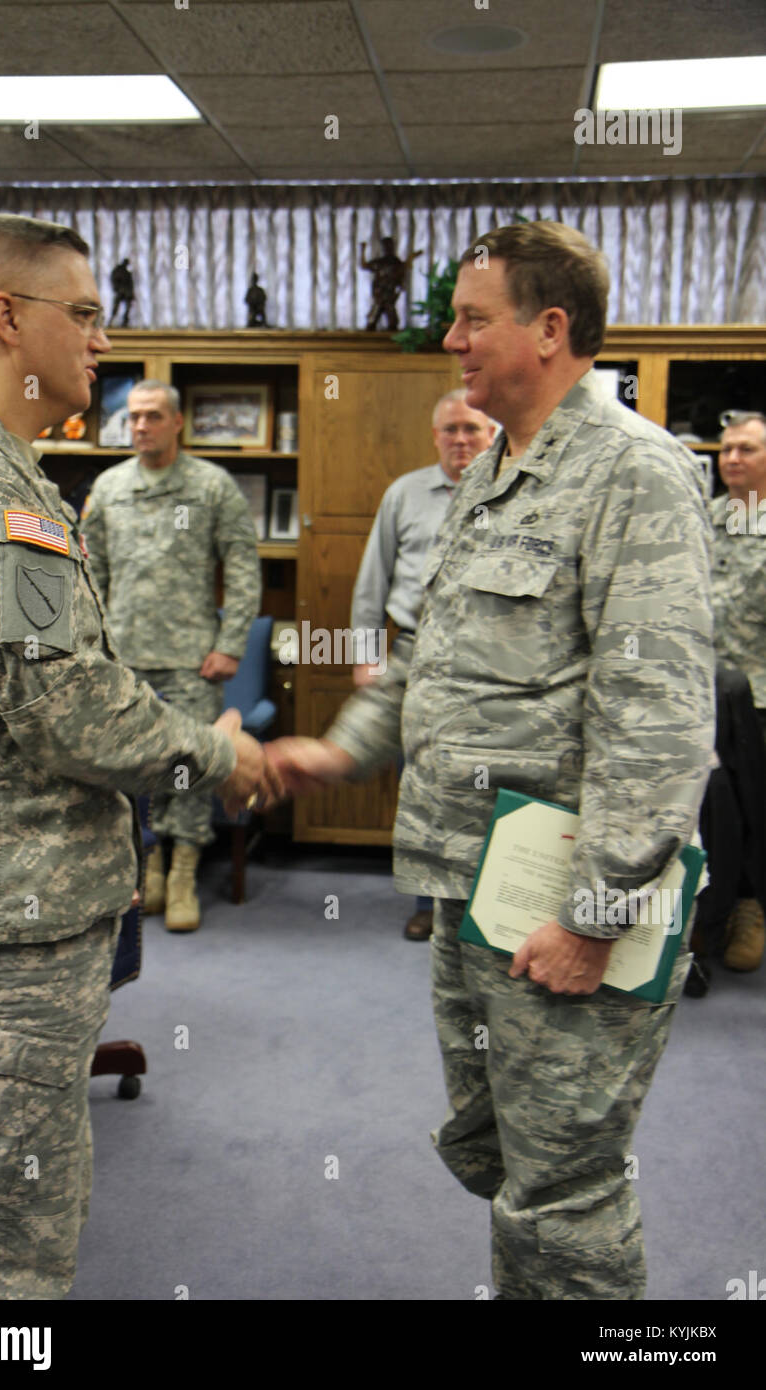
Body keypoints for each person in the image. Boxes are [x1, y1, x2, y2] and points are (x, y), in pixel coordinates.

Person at [268, 221, 715, 1300]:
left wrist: (594, 916)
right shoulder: (487, 472)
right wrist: (338, 750)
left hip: (569, 903)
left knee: (563, 1190)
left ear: (548, 328)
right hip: (476, 884)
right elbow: (429, 657)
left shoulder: (634, 473)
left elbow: (654, 723)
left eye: (473, 318)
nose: (450, 340)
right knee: (503, 1155)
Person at [0, 213, 278, 1300]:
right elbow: (72, 712)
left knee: (12, 1199)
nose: (103, 345)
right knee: (8, 1246)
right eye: (86, 315)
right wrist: (215, 757)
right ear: (7, 318)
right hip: (2, 922)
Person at [81, 381, 261, 931]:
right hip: (126, 658)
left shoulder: (211, 487)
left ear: (177, 422)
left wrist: (230, 645)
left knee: (189, 766)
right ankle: (150, 868)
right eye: (133, 417)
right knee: (139, 770)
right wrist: (95, 649)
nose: (140, 426)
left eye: (152, 416)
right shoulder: (109, 488)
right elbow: (93, 576)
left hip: (191, 658)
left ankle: (183, 874)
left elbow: (243, 568)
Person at [350, 390, 496, 940]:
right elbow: (373, 580)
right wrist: (366, 656)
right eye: (451, 430)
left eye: (472, 429)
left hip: (489, 663)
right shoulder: (405, 494)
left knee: (486, 784)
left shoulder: (512, 492)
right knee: (423, 781)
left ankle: (488, 902)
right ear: (435, 435)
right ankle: (429, 901)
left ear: (491, 433)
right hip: (415, 654)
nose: (461, 440)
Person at [708, 410, 766, 971]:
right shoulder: (704, 518)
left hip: (759, 698)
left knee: (752, 810)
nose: (732, 458)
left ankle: (748, 906)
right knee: (705, 811)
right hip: (699, 692)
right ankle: (706, 907)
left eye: (746, 448)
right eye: (727, 449)